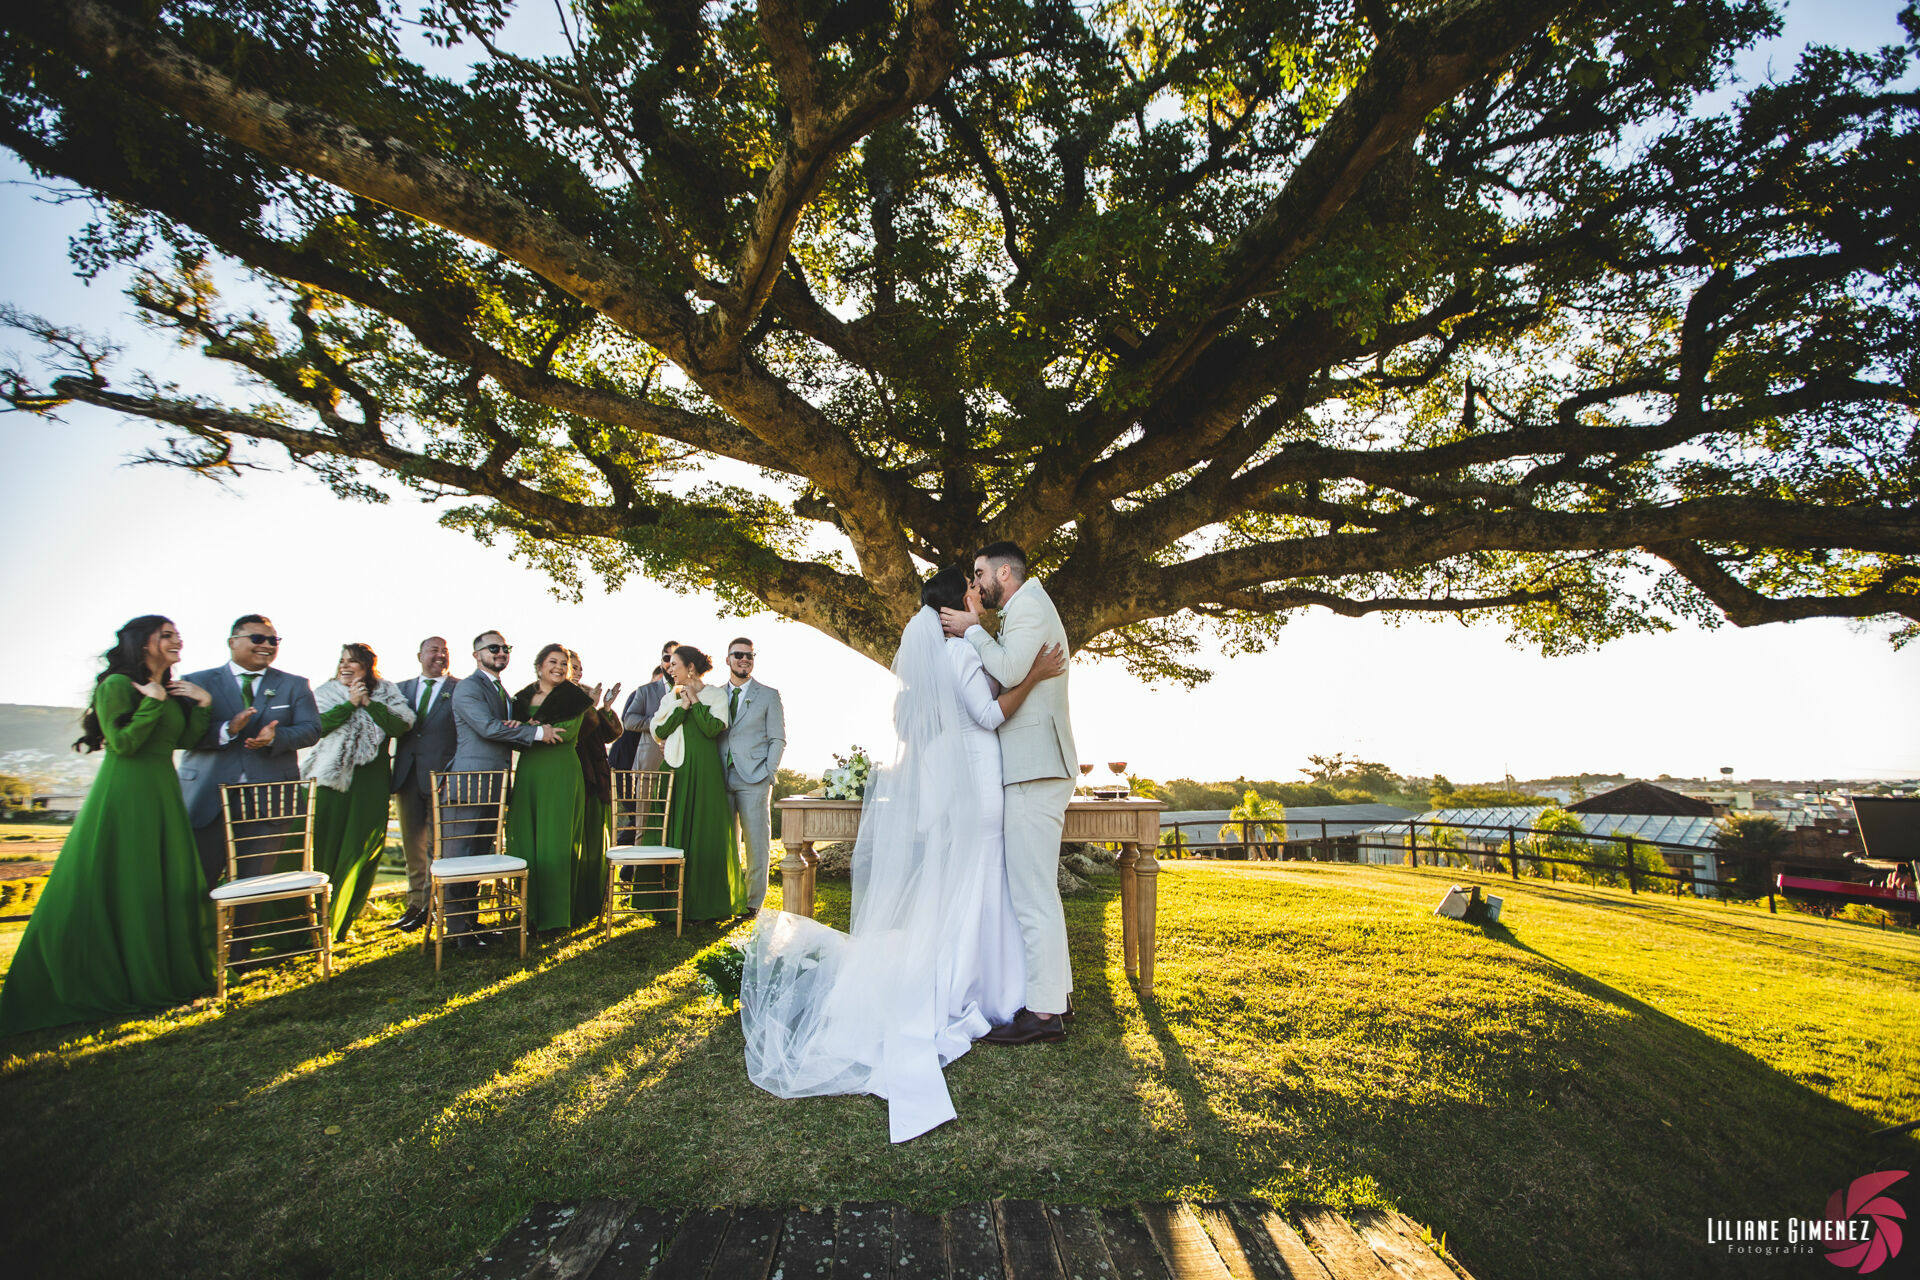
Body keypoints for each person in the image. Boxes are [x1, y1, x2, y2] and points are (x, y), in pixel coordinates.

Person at [740, 573, 1065, 1140]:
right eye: (969, 588)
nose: (977, 594)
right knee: (986, 880)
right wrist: (1035, 673)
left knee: (979, 882)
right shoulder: (961, 652)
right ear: (950, 605)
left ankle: (995, 984)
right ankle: (986, 989)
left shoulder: (937, 655)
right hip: (983, 776)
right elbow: (989, 717)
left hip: (965, 774)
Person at [0, 617, 217, 1035]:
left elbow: (182, 740)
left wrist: (203, 705)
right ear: (144, 643)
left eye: (177, 635)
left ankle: (159, 973)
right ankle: (104, 978)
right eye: (167, 635)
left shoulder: (168, 690)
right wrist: (152, 701)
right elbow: (123, 743)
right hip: (125, 793)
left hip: (163, 792)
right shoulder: (117, 686)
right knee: (121, 879)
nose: (177, 641)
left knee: (158, 884)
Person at [940, 540, 1079, 1045]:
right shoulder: (1025, 608)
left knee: (1031, 891)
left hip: (1034, 767)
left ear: (1005, 571)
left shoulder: (1029, 607)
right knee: (1036, 888)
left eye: (980, 574)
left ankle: (1042, 1015)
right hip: (1034, 765)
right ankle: (1055, 997)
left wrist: (973, 629)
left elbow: (1009, 670)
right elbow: (1012, 671)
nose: (976, 585)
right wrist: (981, 628)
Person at [178, 615, 321, 889]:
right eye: (257, 638)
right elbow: (183, 735)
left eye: (273, 640)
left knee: (255, 886)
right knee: (195, 882)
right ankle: (198, 933)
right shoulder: (197, 682)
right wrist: (227, 730)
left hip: (269, 801)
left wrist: (275, 737)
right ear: (233, 642)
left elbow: (312, 730)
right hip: (207, 798)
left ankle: (244, 932)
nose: (267, 645)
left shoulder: (295, 685)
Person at [444, 631, 554, 948]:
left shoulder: (500, 690)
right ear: (476, 654)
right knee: (459, 859)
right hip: (468, 784)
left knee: (477, 860)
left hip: (493, 785)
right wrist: (534, 733)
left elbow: (499, 727)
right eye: (494, 648)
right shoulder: (467, 687)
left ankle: (471, 925)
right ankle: (458, 933)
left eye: (505, 648)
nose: (501, 652)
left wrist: (511, 726)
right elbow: (487, 727)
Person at [305, 643, 415, 942]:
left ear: (367, 666)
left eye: (352, 661)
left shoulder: (386, 691)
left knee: (361, 850)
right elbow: (318, 726)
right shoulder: (325, 693)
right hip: (330, 780)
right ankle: (312, 922)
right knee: (321, 850)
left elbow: (401, 725)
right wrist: (350, 704)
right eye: (341, 660)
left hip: (370, 781)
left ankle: (341, 921)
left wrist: (369, 704)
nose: (345, 666)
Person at [649, 644, 744, 922]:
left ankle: (703, 904)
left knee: (705, 830)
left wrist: (697, 702)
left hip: (704, 771)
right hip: (675, 770)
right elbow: (659, 731)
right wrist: (683, 706)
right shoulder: (671, 696)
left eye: (674, 664)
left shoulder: (715, 695)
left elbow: (713, 729)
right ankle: (667, 903)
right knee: (671, 829)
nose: (670, 669)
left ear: (690, 667)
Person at [506, 644, 591, 935]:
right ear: (540, 665)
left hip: (561, 773)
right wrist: (531, 730)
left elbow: (564, 735)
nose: (559, 667)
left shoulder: (575, 697)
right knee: (526, 837)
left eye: (564, 663)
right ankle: (527, 912)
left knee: (556, 840)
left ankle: (556, 915)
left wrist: (531, 728)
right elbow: (510, 730)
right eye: (553, 661)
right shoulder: (521, 697)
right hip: (529, 771)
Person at [390, 637, 459, 932]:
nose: (440, 655)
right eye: (434, 650)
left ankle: (436, 904)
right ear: (419, 655)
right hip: (406, 775)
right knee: (412, 846)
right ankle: (415, 904)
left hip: (441, 777)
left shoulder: (458, 688)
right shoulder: (400, 689)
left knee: (437, 846)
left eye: (445, 650)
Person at [718, 636, 786, 912]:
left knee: (757, 842)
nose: (744, 659)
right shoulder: (714, 694)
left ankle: (753, 903)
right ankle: (728, 897)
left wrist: (769, 771)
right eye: (738, 655)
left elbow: (778, 739)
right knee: (724, 842)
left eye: (749, 655)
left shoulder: (769, 695)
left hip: (755, 778)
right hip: (719, 776)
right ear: (728, 659)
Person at [566, 649, 621, 925]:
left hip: (597, 775)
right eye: (572, 666)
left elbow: (608, 734)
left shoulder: (588, 696)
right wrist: (588, 707)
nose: (577, 672)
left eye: (579, 667)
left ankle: (594, 902)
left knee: (596, 843)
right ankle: (572, 902)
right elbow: (574, 732)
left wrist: (606, 710)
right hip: (573, 773)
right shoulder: (556, 699)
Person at [610, 641, 678, 774]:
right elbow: (629, 721)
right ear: (661, 662)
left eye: (675, 658)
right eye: (666, 658)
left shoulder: (692, 691)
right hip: (650, 764)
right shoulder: (644, 691)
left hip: (683, 764)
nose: (670, 662)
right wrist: (660, 722)